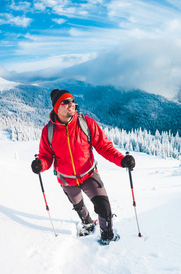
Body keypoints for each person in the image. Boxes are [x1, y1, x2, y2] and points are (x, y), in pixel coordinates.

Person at [31, 89, 135, 244]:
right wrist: (41, 165)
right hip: (66, 180)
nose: (71, 104)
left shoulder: (85, 123)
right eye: (65, 102)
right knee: (79, 206)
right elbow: (46, 157)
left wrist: (122, 160)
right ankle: (87, 223)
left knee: (104, 207)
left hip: (89, 175)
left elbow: (104, 147)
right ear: (56, 108)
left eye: (72, 100)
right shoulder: (48, 132)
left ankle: (107, 236)